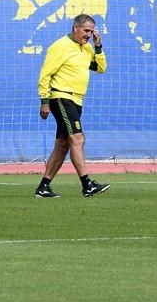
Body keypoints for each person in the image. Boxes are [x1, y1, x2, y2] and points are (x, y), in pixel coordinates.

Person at [35, 14, 109, 198]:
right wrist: (44, 101)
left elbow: (100, 68)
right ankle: (87, 184)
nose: (88, 35)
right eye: (86, 31)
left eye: (91, 32)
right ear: (75, 28)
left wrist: (98, 46)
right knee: (78, 138)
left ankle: (43, 187)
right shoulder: (60, 46)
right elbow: (45, 74)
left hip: (76, 100)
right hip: (61, 97)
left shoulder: (88, 48)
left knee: (62, 144)